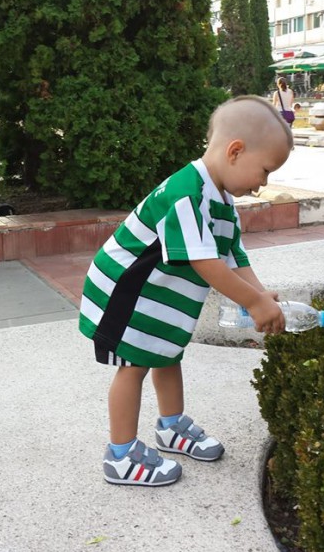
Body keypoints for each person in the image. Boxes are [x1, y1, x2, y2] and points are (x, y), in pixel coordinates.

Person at [78, 95, 293, 487]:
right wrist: (252, 302)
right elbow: (204, 262)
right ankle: (120, 455)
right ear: (235, 151)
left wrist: (261, 296)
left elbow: (233, 255)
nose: (263, 183)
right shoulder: (186, 194)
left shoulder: (222, 201)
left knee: (167, 355)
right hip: (126, 293)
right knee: (134, 366)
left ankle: (171, 426)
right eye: (265, 170)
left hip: (157, 299)